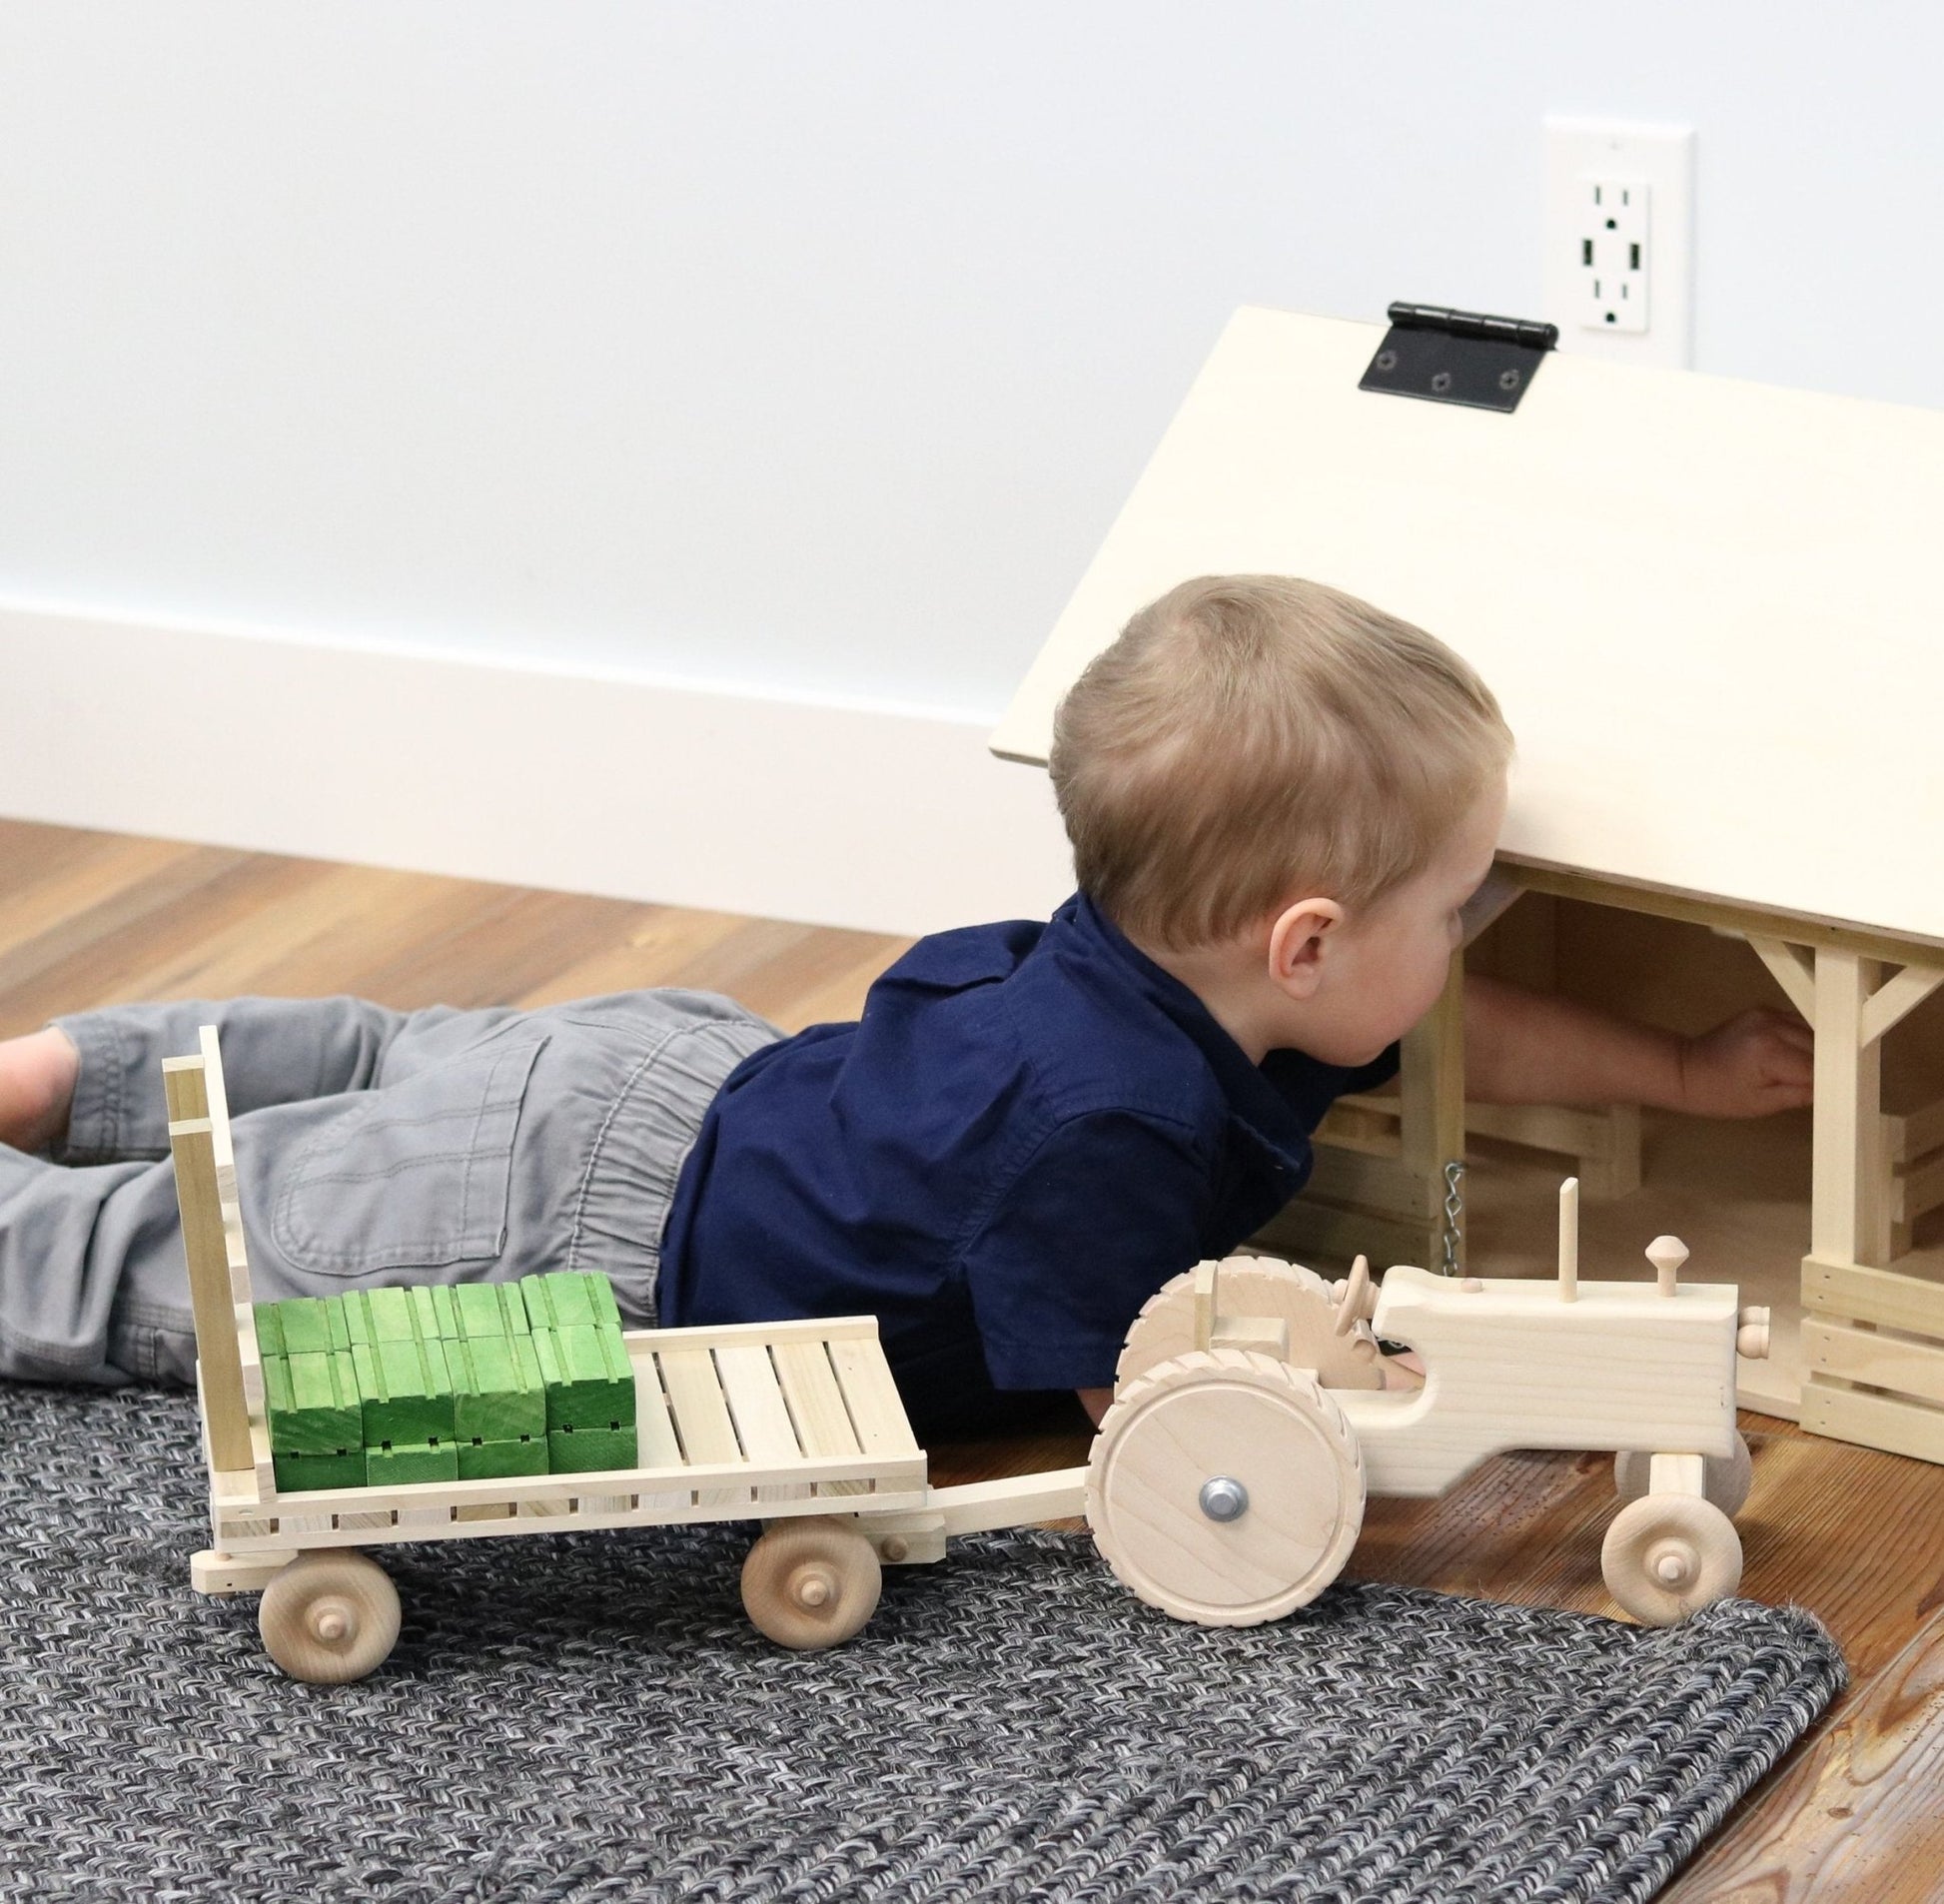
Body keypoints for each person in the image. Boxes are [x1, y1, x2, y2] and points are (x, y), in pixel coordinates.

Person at [0, 577, 1813, 1437]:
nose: (1473, 939)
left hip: (669, 1066)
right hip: (600, 1237)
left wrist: (1676, 1066)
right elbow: (1149, 1415)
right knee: (200, 1264)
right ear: (1307, 946)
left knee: (375, 1058)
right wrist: (1359, 1403)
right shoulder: (1117, 1129)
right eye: (1455, 906)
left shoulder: (1181, 981)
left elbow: (1449, 1026)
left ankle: (50, 1067)